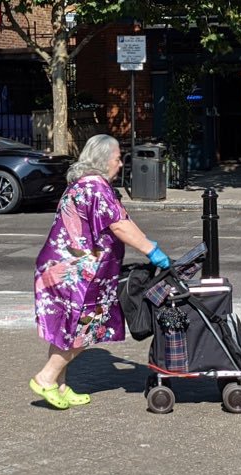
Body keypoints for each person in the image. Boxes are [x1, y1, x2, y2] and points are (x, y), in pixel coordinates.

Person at [30, 134, 170, 409]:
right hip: (76, 274)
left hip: (64, 270)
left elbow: (121, 221)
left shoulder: (85, 185)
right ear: (104, 160)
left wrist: (147, 243)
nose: (120, 164)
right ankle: (46, 378)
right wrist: (151, 250)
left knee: (66, 329)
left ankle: (60, 386)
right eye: (117, 159)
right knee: (84, 327)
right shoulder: (95, 188)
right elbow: (119, 225)